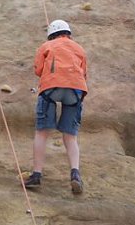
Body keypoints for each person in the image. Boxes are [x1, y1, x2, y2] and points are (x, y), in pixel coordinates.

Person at [23, 19, 88, 193]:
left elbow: (38, 70)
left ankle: (36, 175)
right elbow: (84, 72)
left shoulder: (46, 45)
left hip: (52, 88)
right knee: (70, 136)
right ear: (68, 33)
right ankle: (75, 174)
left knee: (42, 132)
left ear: (51, 34)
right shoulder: (79, 48)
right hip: (76, 90)